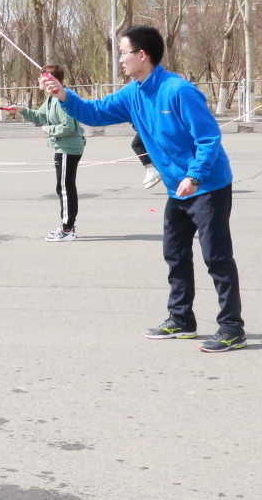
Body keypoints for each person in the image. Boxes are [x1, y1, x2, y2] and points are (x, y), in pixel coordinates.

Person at [43, 24, 245, 352]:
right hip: (176, 190)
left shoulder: (179, 91)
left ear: (142, 55)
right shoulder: (132, 93)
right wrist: (62, 94)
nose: (120, 59)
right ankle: (181, 320)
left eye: (123, 53)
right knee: (175, 254)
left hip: (207, 186)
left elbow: (209, 138)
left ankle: (232, 328)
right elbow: (94, 112)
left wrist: (194, 176)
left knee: (216, 258)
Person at [0, 64, 85, 241]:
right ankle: (68, 227)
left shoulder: (62, 99)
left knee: (65, 188)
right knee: (64, 187)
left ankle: (67, 229)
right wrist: (21, 110)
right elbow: (40, 117)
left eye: (41, 78)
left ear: (49, 80)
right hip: (62, 148)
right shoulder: (51, 99)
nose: (38, 80)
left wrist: (49, 130)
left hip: (68, 148)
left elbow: (68, 127)